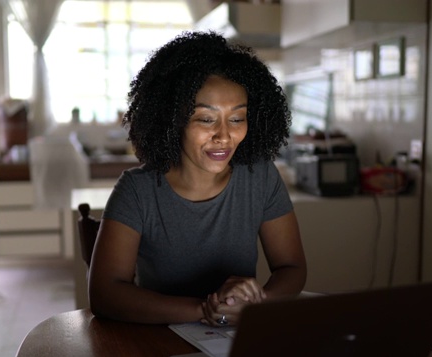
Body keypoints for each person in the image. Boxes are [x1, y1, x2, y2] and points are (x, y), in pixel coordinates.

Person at [88, 30, 306, 327]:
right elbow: (104, 295)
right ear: (172, 120)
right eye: (206, 119)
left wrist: (254, 304)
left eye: (237, 118)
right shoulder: (137, 191)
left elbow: (292, 267)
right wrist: (207, 310)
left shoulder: (261, 176)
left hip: (235, 340)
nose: (224, 136)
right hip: (157, 343)